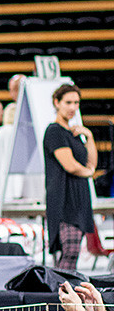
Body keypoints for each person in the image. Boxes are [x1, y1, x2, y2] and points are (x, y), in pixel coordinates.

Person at [43, 83, 97, 271]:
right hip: (64, 201)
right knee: (70, 252)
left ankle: (63, 292)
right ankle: (61, 293)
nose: (73, 107)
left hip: (79, 199)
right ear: (57, 103)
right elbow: (71, 166)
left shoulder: (74, 132)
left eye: (76, 103)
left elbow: (91, 162)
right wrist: (89, 172)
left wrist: (89, 136)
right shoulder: (54, 131)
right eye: (68, 102)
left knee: (72, 255)